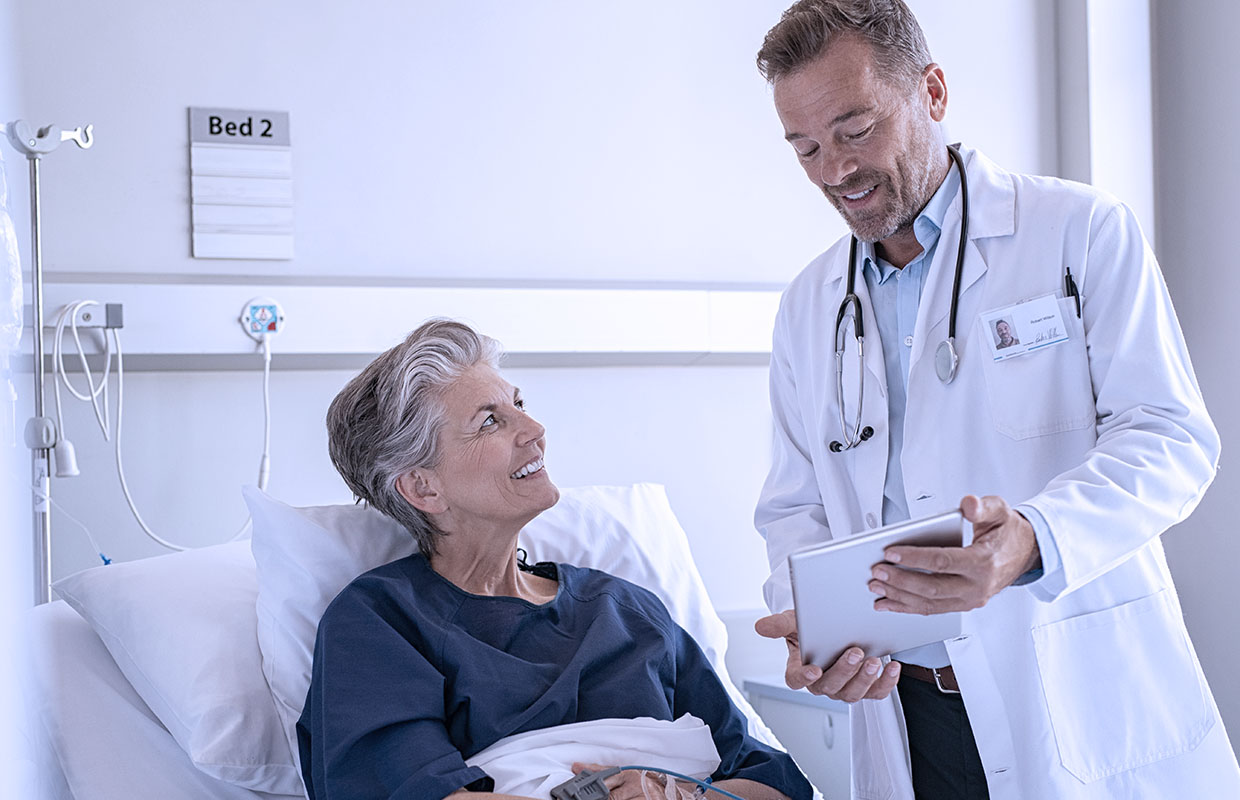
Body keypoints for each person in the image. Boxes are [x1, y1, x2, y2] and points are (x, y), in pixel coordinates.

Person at [748, 2, 1240, 799]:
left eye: (855, 129)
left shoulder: (1078, 231)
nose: (835, 171)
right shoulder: (809, 307)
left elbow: (1171, 436)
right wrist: (811, 623)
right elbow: (794, 509)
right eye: (804, 148)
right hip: (907, 717)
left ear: (932, 92)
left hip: (1071, 689)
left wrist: (1033, 539)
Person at [297, 319, 812, 800]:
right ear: (422, 487)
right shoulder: (381, 622)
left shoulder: (624, 608)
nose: (533, 428)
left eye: (519, 403)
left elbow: (773, 784)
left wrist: (678, 793)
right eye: (490, 421)